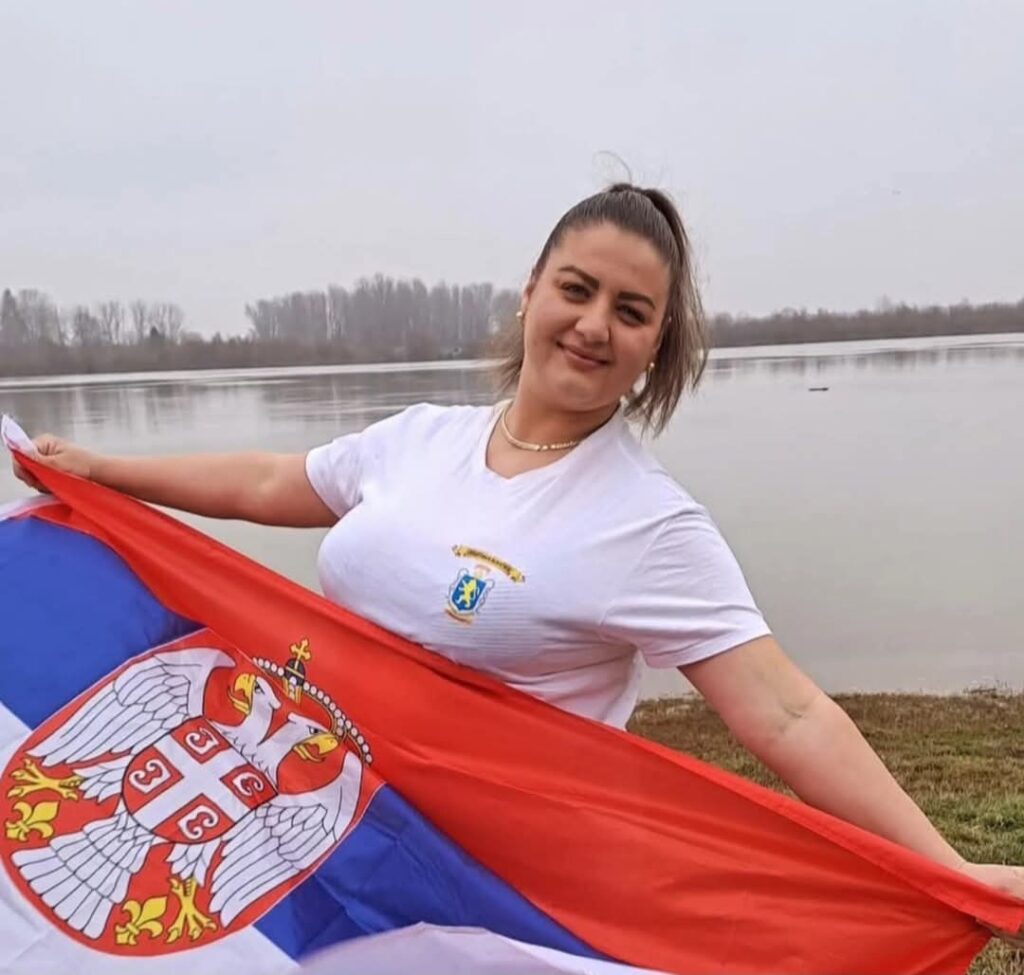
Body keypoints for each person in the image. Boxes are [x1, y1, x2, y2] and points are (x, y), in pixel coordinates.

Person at [11, 182, 1024, 942]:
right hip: (310, 820)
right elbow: (276, 482)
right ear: (531, 290)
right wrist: (103, 471)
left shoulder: (648, 523)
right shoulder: (421, 438)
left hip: (480, 883)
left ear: (656, 343)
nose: (593, 325)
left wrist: (946, 867)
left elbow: (787, 713)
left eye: (630, 310)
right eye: (576, 290)